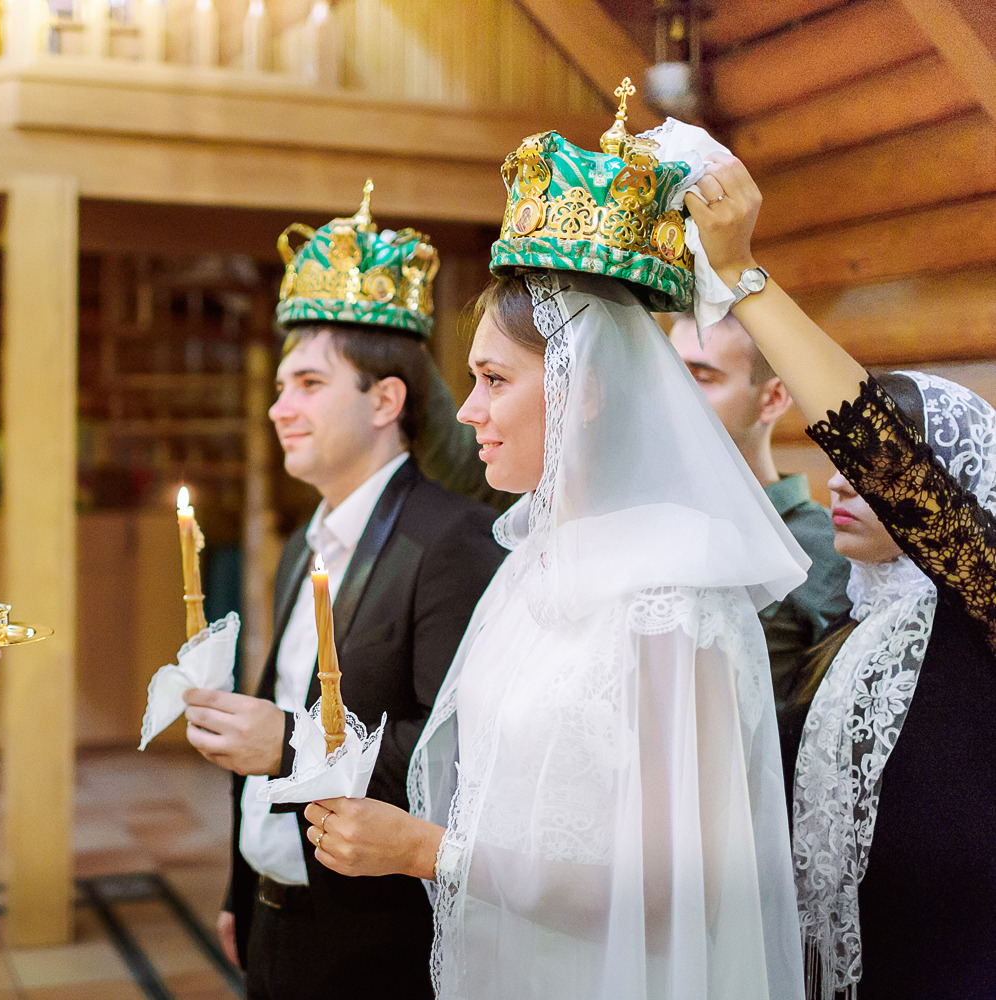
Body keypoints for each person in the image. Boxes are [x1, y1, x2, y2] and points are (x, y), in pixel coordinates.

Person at [297, 107, 810, 999]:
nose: (466, 412)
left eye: (494, 380)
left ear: (590, 389)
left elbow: (673, 891)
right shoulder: (534, 558)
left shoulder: (672, 592)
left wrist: (426, 851)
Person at [180, 186, 504, 1000]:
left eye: (309, 385)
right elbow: (279, 703)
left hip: (373, 935)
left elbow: (457, 757)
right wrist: (240, 887)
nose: (277, 407)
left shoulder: (449, 540)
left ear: (385, 400)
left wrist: (287, 742)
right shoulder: (303, 542)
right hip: (274, 909)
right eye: (283, 385)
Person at [686, 153, 996, 999]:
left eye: (874, 467)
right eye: (838, 465)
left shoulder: (981, 605)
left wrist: (743, 276)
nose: (844, 481)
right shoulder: (858, 632)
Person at [669, 314, 851, 772]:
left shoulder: (825, 546)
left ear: (772, 398)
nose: (672, 395)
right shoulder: (642, 520)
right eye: (667, 372)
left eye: (702, 377)